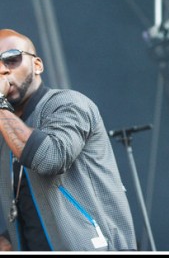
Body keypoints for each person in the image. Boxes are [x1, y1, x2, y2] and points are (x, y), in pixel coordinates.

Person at [0, 29, 137, 251]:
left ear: (37, 65)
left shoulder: (68, 104)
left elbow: (49, 158)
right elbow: (32, 209)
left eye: (12, 59)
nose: (2, 70)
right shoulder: (7, 132)